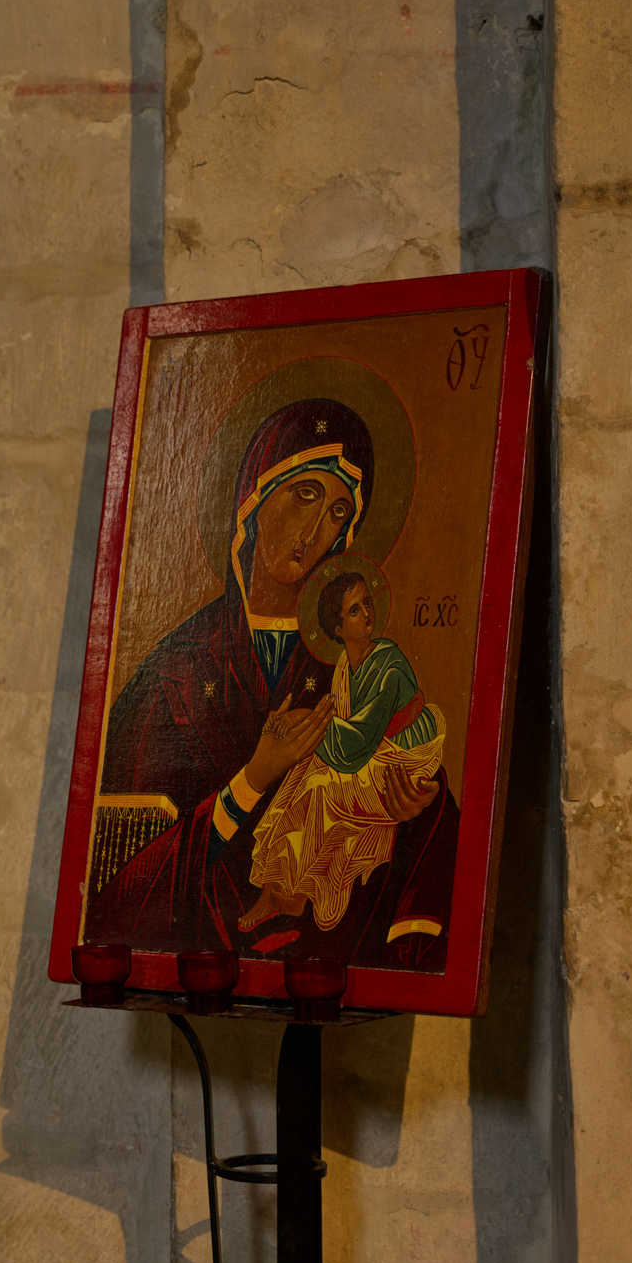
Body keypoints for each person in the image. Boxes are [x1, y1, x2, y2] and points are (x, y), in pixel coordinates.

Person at [86, 393, 457, 966]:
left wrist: (409, 809)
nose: (315, 529)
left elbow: (414, 800)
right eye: (305, 494)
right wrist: (255, 776)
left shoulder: (349, 664)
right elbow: (118, 877)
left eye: (337, 512)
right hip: (208, 955)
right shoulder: (174, 673)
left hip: (325, 952)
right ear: (253, 500)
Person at [240, 567, 444, 935]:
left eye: (366, 603)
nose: (366, 614)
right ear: (337, 628)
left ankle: (297, 895)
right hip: (373, 752)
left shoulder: (389, 663)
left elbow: (357, 743)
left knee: (319, 787)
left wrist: (305, 718)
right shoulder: (345, 669)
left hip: (402, 759)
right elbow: (341, 728)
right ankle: (274, 890)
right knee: (300, 774)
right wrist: (300, 726)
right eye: (354, 610)